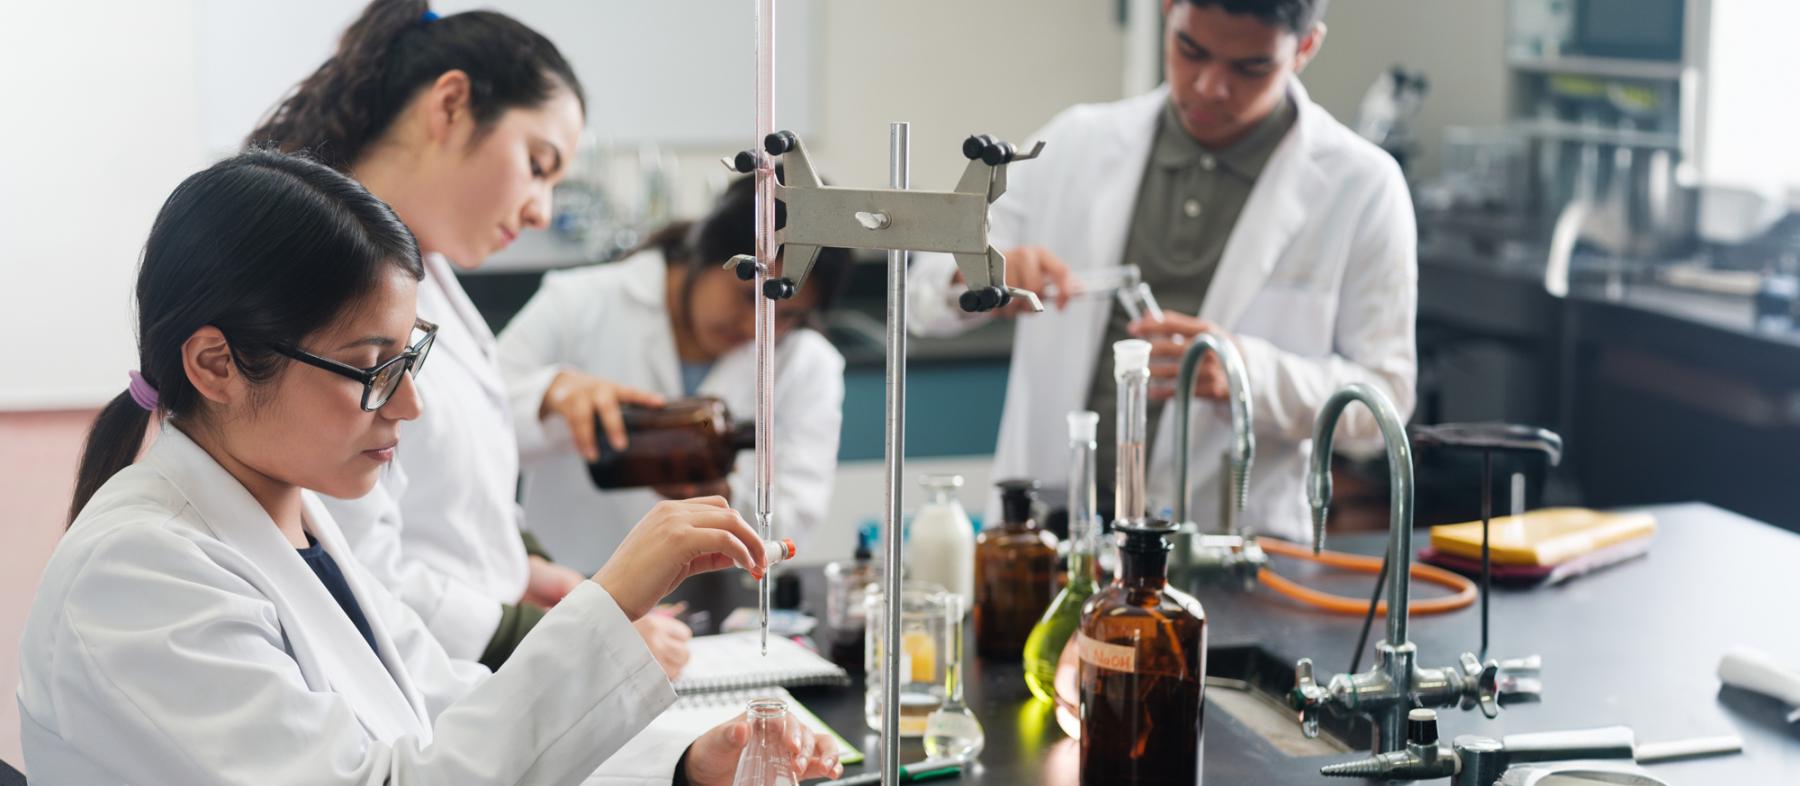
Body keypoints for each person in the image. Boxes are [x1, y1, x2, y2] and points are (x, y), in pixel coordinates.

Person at [17, 150, 841, 785]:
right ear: (217, 365)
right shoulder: (138, 577)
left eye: (409, 356)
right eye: (372, 366)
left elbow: (442, 714)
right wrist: (607, 600)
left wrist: (685, 762)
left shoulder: (295, 520)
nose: (408, 405)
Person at [247, 0, 688, 673]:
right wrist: (549, 639)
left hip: (459, 670)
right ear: (451, 104)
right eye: (538, 164)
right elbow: (352, 556)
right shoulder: (323, 284)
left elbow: (451, 495)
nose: (542, 208)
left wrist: (523, 567)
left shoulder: (434, 278)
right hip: (404, 679)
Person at [908, 0, 1416, 541]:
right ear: (1168, 9)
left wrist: (1248, 376)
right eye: (1190, 50)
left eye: (1250, 68)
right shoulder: (1078, 143)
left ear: (1305, 48)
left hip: (1229, 543)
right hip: (1052, 532)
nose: (1209, 86)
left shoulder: (1361, 186)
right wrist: (979, 276)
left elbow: (1384, 401)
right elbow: (922, 299)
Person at [498, 172, 848, 571]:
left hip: (712, 594)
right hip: (568, 585)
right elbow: (463, 417)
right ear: (708, 253)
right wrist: (550, 395)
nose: (757, 329)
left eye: (788, 316)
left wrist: (723, 495)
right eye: (749, 298)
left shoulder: (806, 363)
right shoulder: (579, 302)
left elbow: (794, 524)